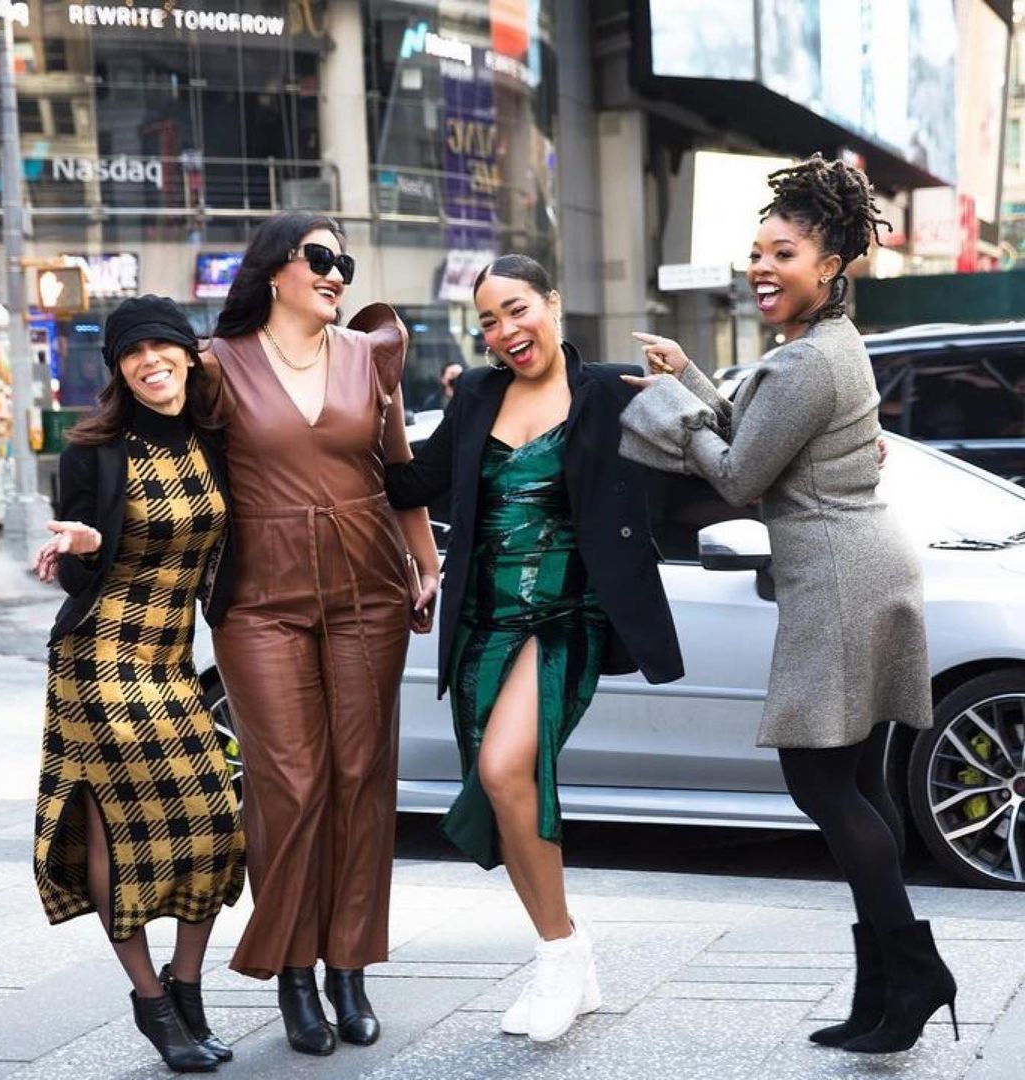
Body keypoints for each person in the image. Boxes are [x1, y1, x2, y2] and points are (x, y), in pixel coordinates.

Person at [619, 155, 957, 1055]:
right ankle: (883, 991)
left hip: (840, 578)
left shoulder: (807, 360)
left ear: (831, 263)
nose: (762, 267)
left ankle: (913, 974)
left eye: (784, 253)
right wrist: (695, 379)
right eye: (758, 252)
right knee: (858, 786)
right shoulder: (830, 346)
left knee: (820, 783)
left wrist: (669, 409)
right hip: (864, 565)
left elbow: (739, 474)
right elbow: (762, 438)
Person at [384, 254, 683, 1043]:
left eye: (517, 309)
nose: (506, 330)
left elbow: (719, 457)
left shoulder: (613, 391)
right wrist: (365, 409)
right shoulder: (478, 396)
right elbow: (411, 486)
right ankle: (568, 956)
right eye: (489, 320)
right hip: (482, 623)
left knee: (504, 768)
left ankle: (558, 955)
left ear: (552, 303)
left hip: (566, 615)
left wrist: (692, 391)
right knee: (505, 791)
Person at [204, 212, 439, 1055]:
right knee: (290, 783)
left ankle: (349, 966)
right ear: (275, 270)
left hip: (368, 586)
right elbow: (168, 466)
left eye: (344, 261)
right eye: (319, 258)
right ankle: (294, 969)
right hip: (258, 599)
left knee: (360, 775)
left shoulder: (369, 355)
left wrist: (425, 563)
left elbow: (397, 469)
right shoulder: (215, 365)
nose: (336, 272)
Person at [32, 295, 246, 1074]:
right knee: (116, 830)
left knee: (216, 822)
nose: (149, 362)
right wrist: (87, 545)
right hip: (97, 659)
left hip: (170, 659)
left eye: (161, 347)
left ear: (188, 354)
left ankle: (185, 988)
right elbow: (76, 575)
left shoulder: (213, 440)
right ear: (119, 369)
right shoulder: (93, 450)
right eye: (132, 353)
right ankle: (151, 1001)